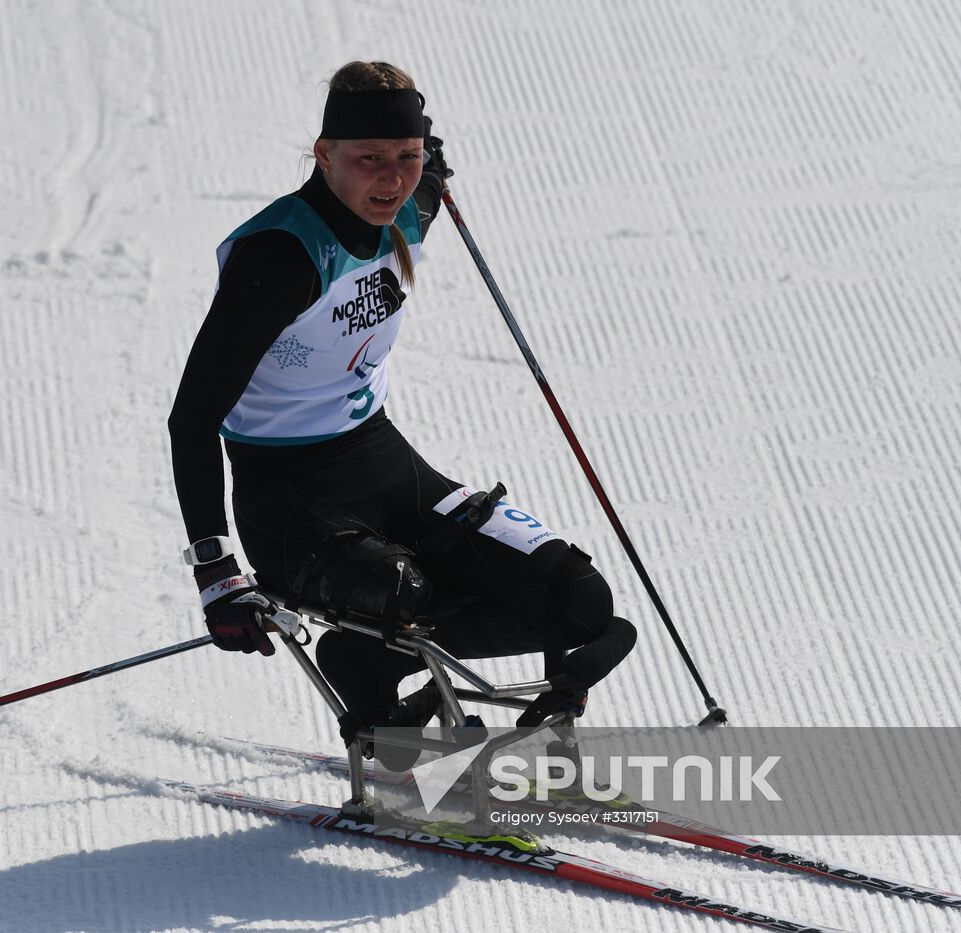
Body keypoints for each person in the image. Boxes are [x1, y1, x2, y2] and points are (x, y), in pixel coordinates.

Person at [168, 61, 636, 750]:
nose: (391, 179)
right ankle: (388, 738)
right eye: (369, 160)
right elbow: (192, 417)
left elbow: (430, 186)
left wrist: (431, 163)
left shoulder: (407, 206)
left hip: (386, 466)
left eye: (406, 158)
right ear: (324, 155)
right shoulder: (282, 257)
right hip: (288, 496)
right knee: (397, 590)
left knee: (578, 597)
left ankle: (370, 660)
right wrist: (216, 571)